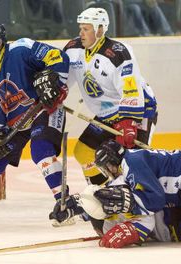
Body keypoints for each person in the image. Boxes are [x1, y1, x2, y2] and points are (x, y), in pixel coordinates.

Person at [0, 23, 70, 222]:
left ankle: (65, 202)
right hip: (16, 122)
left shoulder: (22, 49)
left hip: (43, 109)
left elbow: (58, 57)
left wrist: (55, 83)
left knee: (41, 151)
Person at [64, 7, 158, 187]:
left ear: (100, 29)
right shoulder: (73, 49)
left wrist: (129, 121)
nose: (80, 33)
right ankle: (104, 196)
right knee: (84, 152)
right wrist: (55, 90)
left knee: (133, 162)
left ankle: (141, 203)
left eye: (86, 29)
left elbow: (130, 88)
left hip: (139, 111)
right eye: (80, 28)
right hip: (106, 115)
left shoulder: (118, 52)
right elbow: (62, 79)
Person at [50, 139, 181, 248]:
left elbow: (156, 200)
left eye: (104, 167)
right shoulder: (127, 168)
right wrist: (75, 206)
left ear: (110, 163)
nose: (106, 172)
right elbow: (101, 198)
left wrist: (130, 206)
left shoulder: (131, 161)